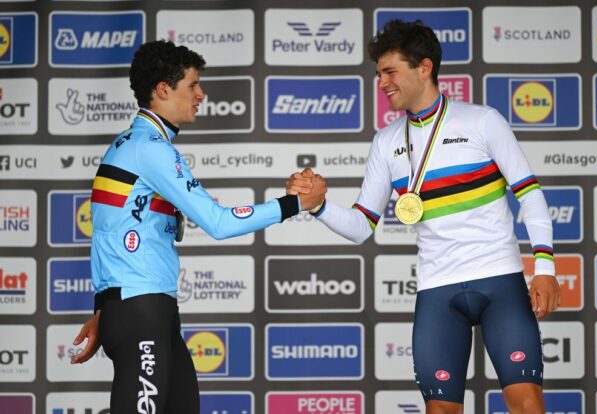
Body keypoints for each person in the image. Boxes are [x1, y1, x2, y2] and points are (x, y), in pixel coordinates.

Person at [288, 20, 560, 414]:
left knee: (526, 404)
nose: (382, 82)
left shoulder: (482, 121)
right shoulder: (386, 142)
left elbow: (529, 195)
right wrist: (318, 205)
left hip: (499, 278)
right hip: (437, 289)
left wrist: (546, 268)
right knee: (440, 411)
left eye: (390, 71)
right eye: (379, 73)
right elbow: (362, 226)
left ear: (424, 68)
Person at [70, 40, 325, 414]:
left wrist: (104, 307)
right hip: (142, 311)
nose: (201, 94)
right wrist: (294, 204)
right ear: (162, 90)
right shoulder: (151, 149)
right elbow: (218, 223)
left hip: (145, 310)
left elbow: (109, 230)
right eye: (192, 85)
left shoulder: (129, 143)